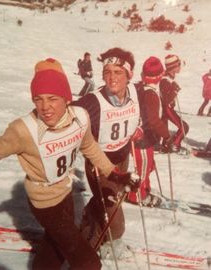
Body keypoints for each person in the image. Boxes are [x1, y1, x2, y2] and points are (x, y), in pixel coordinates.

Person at [0, 57, 139, 270]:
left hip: (65, 194)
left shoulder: (80, 117)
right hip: (45, 203)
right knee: (89, 263)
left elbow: (89, 147)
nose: (45, 107)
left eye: (52, 98)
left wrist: (115, 174)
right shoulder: (23, 130)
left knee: (53, 251)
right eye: (38, 99)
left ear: (66, 98)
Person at [72, 47, 140, 259]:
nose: (111, 78)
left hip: (122, 159)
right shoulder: (93, 102)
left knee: (110, 202)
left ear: (129, 75)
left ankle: (89, 219)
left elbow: (144, 112)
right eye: (107, 72)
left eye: (118, 72)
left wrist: (140, 128)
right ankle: (86, 252)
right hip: (100, 165)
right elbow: (66, 115)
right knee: (115, 218)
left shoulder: (137, 92)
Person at [127, 56, 172, 207]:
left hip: (145, 137)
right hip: (143, 138)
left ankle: (144, 188)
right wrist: (166, 134)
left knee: (148, 165)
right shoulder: (150, 94)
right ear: (159, 76)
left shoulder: (143, 89)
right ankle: (137, 196)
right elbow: (153, 120)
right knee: (143, 167)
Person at [159, 54, 189, 153]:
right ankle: (175, 145)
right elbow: (166, 100)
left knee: (165, 131)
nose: (180, 67)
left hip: (167, 109)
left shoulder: (170, 78)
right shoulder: (165, 80)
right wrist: (174, 90)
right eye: (178, 65)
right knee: (184, 127)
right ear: (173, 67)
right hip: (166, 109)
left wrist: (174, 90)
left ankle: (167, 145)